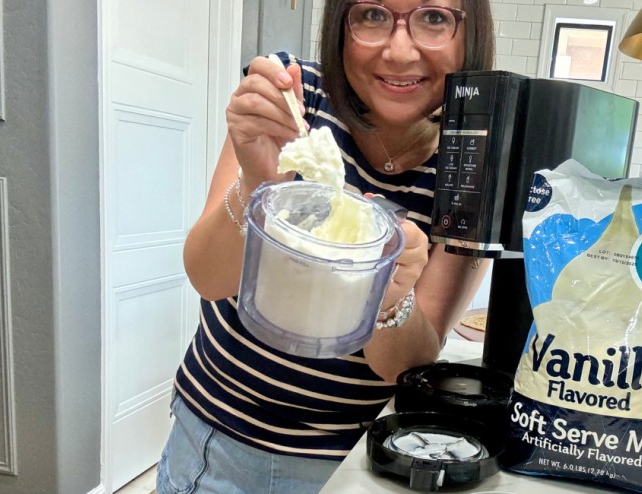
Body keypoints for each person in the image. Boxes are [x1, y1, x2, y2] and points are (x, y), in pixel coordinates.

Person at [156, 0, 495, 492]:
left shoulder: (475, 168)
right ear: (341, 24)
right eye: (373, 15)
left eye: (435, 18)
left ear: (471, 33)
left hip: (347, 463)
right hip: (215, 437)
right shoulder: (296, 100)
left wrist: (391, 293)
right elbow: (207, 277)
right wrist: (256, 184)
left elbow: (407, 365)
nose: (400, 52)